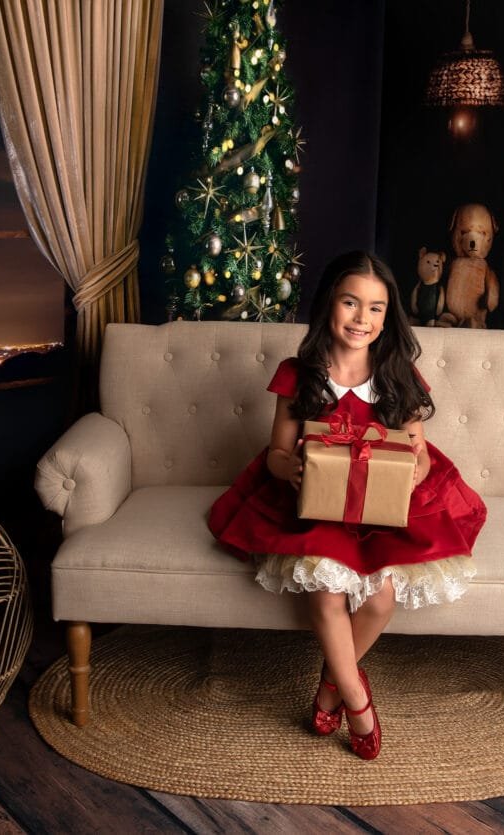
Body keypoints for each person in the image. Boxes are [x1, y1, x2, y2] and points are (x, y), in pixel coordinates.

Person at [208, 251, 487, 760]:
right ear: (329, 306)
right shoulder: (299, 373)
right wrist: (288, 468)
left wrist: (410, 473)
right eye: (351, 303)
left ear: (389, 316)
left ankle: (330, 685)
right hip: (316, 504)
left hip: (380, 505)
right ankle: (357, 703)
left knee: (380, 598)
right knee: (327, 590)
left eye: (376, 309)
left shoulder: (397, 373)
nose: (362, 319)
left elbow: (418, 452)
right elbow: (275, 452)